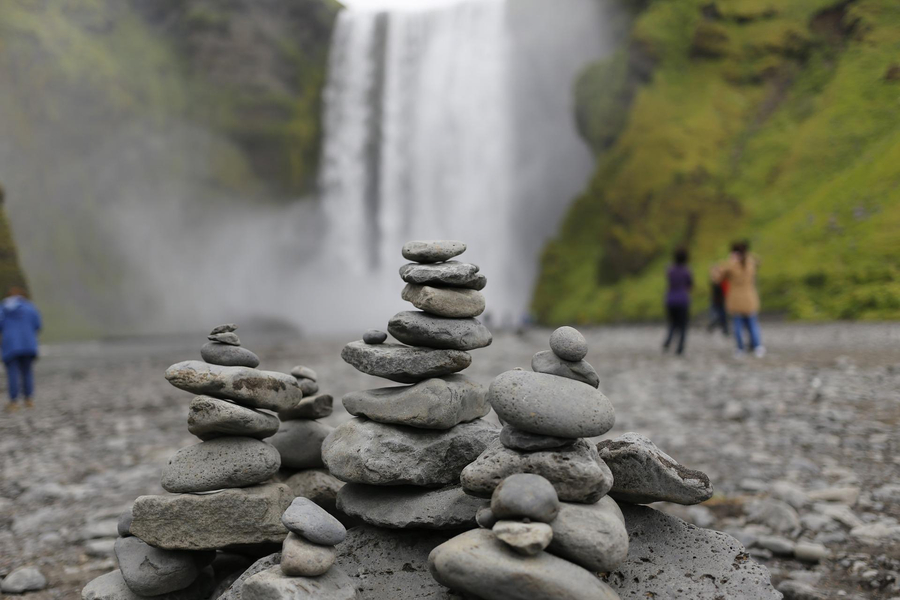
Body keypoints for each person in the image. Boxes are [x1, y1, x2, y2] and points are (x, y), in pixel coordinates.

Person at [717, 241, 765, 357]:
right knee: (753, 324)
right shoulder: (750, 263)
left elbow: (718, 278)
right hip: (749, 297)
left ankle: (740, 348)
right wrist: (748, 255)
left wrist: (729, 261)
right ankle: (757, 346)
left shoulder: (731, 266)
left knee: (737, 326)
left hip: (735, 299)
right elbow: (759, 261)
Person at [0, 287, 42, 411]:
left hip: (10, 345)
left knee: (12, 373)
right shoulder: (30, 307)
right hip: (28, 344)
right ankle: (29, 399)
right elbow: (38, 325)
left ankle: (14, 401)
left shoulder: (3, 308)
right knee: (27, 371)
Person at [662, 248, 693, 355]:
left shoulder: (670, 269)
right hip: (683, 300)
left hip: (670, 299)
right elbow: (690, 284)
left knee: (672, 323)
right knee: (683, 325)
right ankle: (680, 347)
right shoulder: (686, 270)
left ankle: (668, 341)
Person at [707, 265, 729, 335]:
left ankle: (724, 329)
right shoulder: (715, 281)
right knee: (716, 315)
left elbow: (725, 290)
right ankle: (719, 328)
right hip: (716, 301)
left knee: (722, 315)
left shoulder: (722, 281)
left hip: (721, 301)